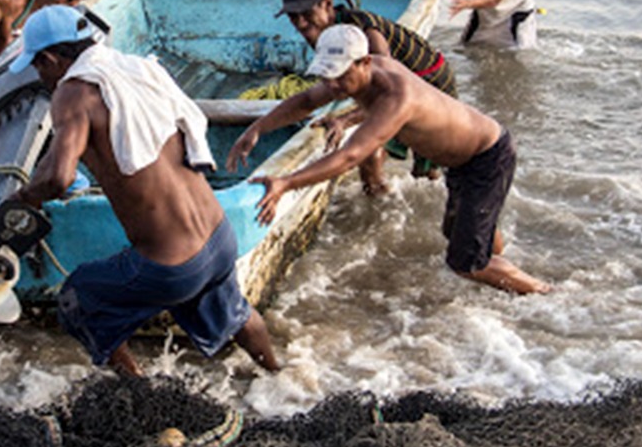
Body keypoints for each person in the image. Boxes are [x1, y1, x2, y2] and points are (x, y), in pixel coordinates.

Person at [10, 5, 279, 376]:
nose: (41, 76)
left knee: (80, 298)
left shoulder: (73, 93)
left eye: (39, 66)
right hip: (219, 238)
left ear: (52, 58)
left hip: (173, 266)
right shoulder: (135, 68)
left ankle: (137, 393)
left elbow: (57, 177)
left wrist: (22, 197)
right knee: (237, 314)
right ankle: (280, 379)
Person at [227, 25, 550, 296]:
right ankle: (499, 263)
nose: (333, 86)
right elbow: (307, 100)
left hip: (487, 156)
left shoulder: (397, 98)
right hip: (464, 160)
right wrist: (257, 128)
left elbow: (350, 155)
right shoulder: (356, 75)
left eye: (339, 78)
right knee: (460, 231)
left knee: (465, 263)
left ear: (364, 62)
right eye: (328, 78)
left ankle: (541, 293)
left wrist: (286, 182)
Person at [277, 0, 459, 190]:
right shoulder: (325, 33)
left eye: (306, 14)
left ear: (327, 4)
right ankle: (379, 200)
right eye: (293, 17)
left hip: (432, 82)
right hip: (403, 87)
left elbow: (389, 94)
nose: (300, 24)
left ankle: (407, 202)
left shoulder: (367, 34)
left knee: (424, 166)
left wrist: (344, 120)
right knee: (371, 155)